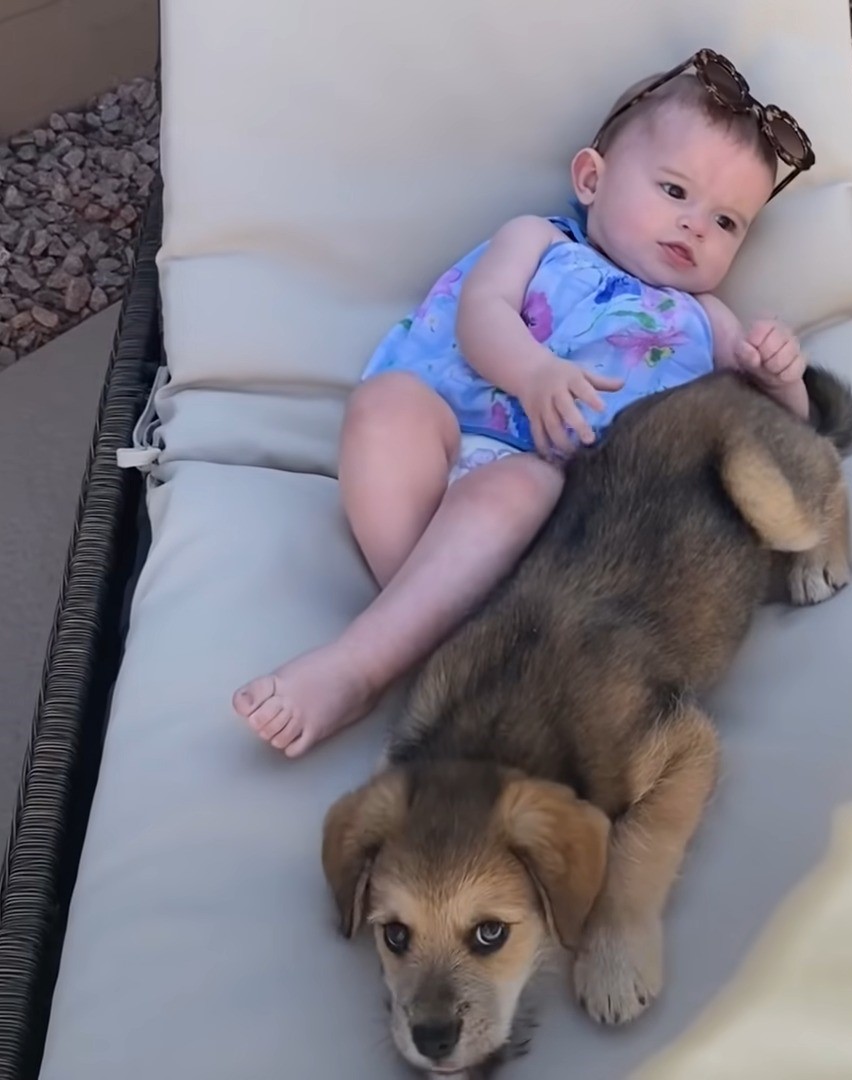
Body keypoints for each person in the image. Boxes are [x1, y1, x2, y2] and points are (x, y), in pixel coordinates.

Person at [232, 49, 816, 757]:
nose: (695, 225)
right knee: (387, 403)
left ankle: (361, 664)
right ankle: (431, 625)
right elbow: (481, 314)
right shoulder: (535, 240)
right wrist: (534, 372)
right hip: (444, 457)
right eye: (673, 190)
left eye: (727, 222)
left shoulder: (707, 321)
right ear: (591, 179)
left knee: (521, 482)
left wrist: (781, 379)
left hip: (561, 529)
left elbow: (779, 442)